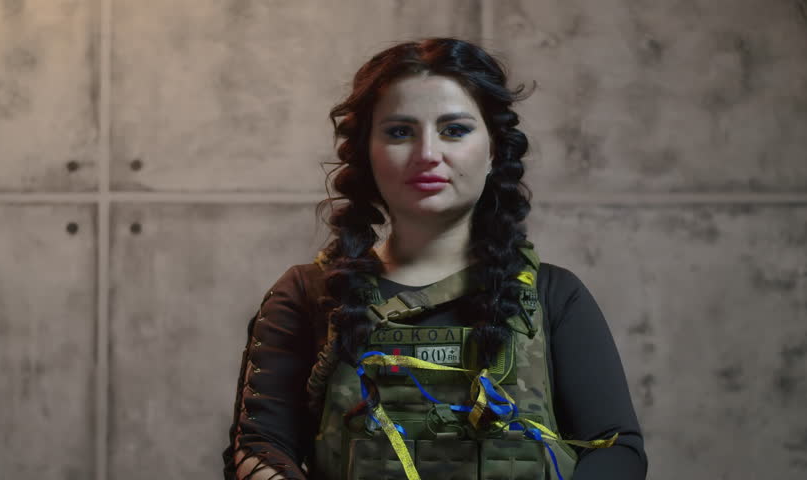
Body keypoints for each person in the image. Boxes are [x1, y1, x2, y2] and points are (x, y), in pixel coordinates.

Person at [222, 37, 648, 480]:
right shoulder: (306, 294)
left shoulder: (553, 296)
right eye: (400, 132)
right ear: (368, 152)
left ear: (494, 151)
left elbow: (618, 449)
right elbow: (258, 448)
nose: (428, 154)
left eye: (455, 130)